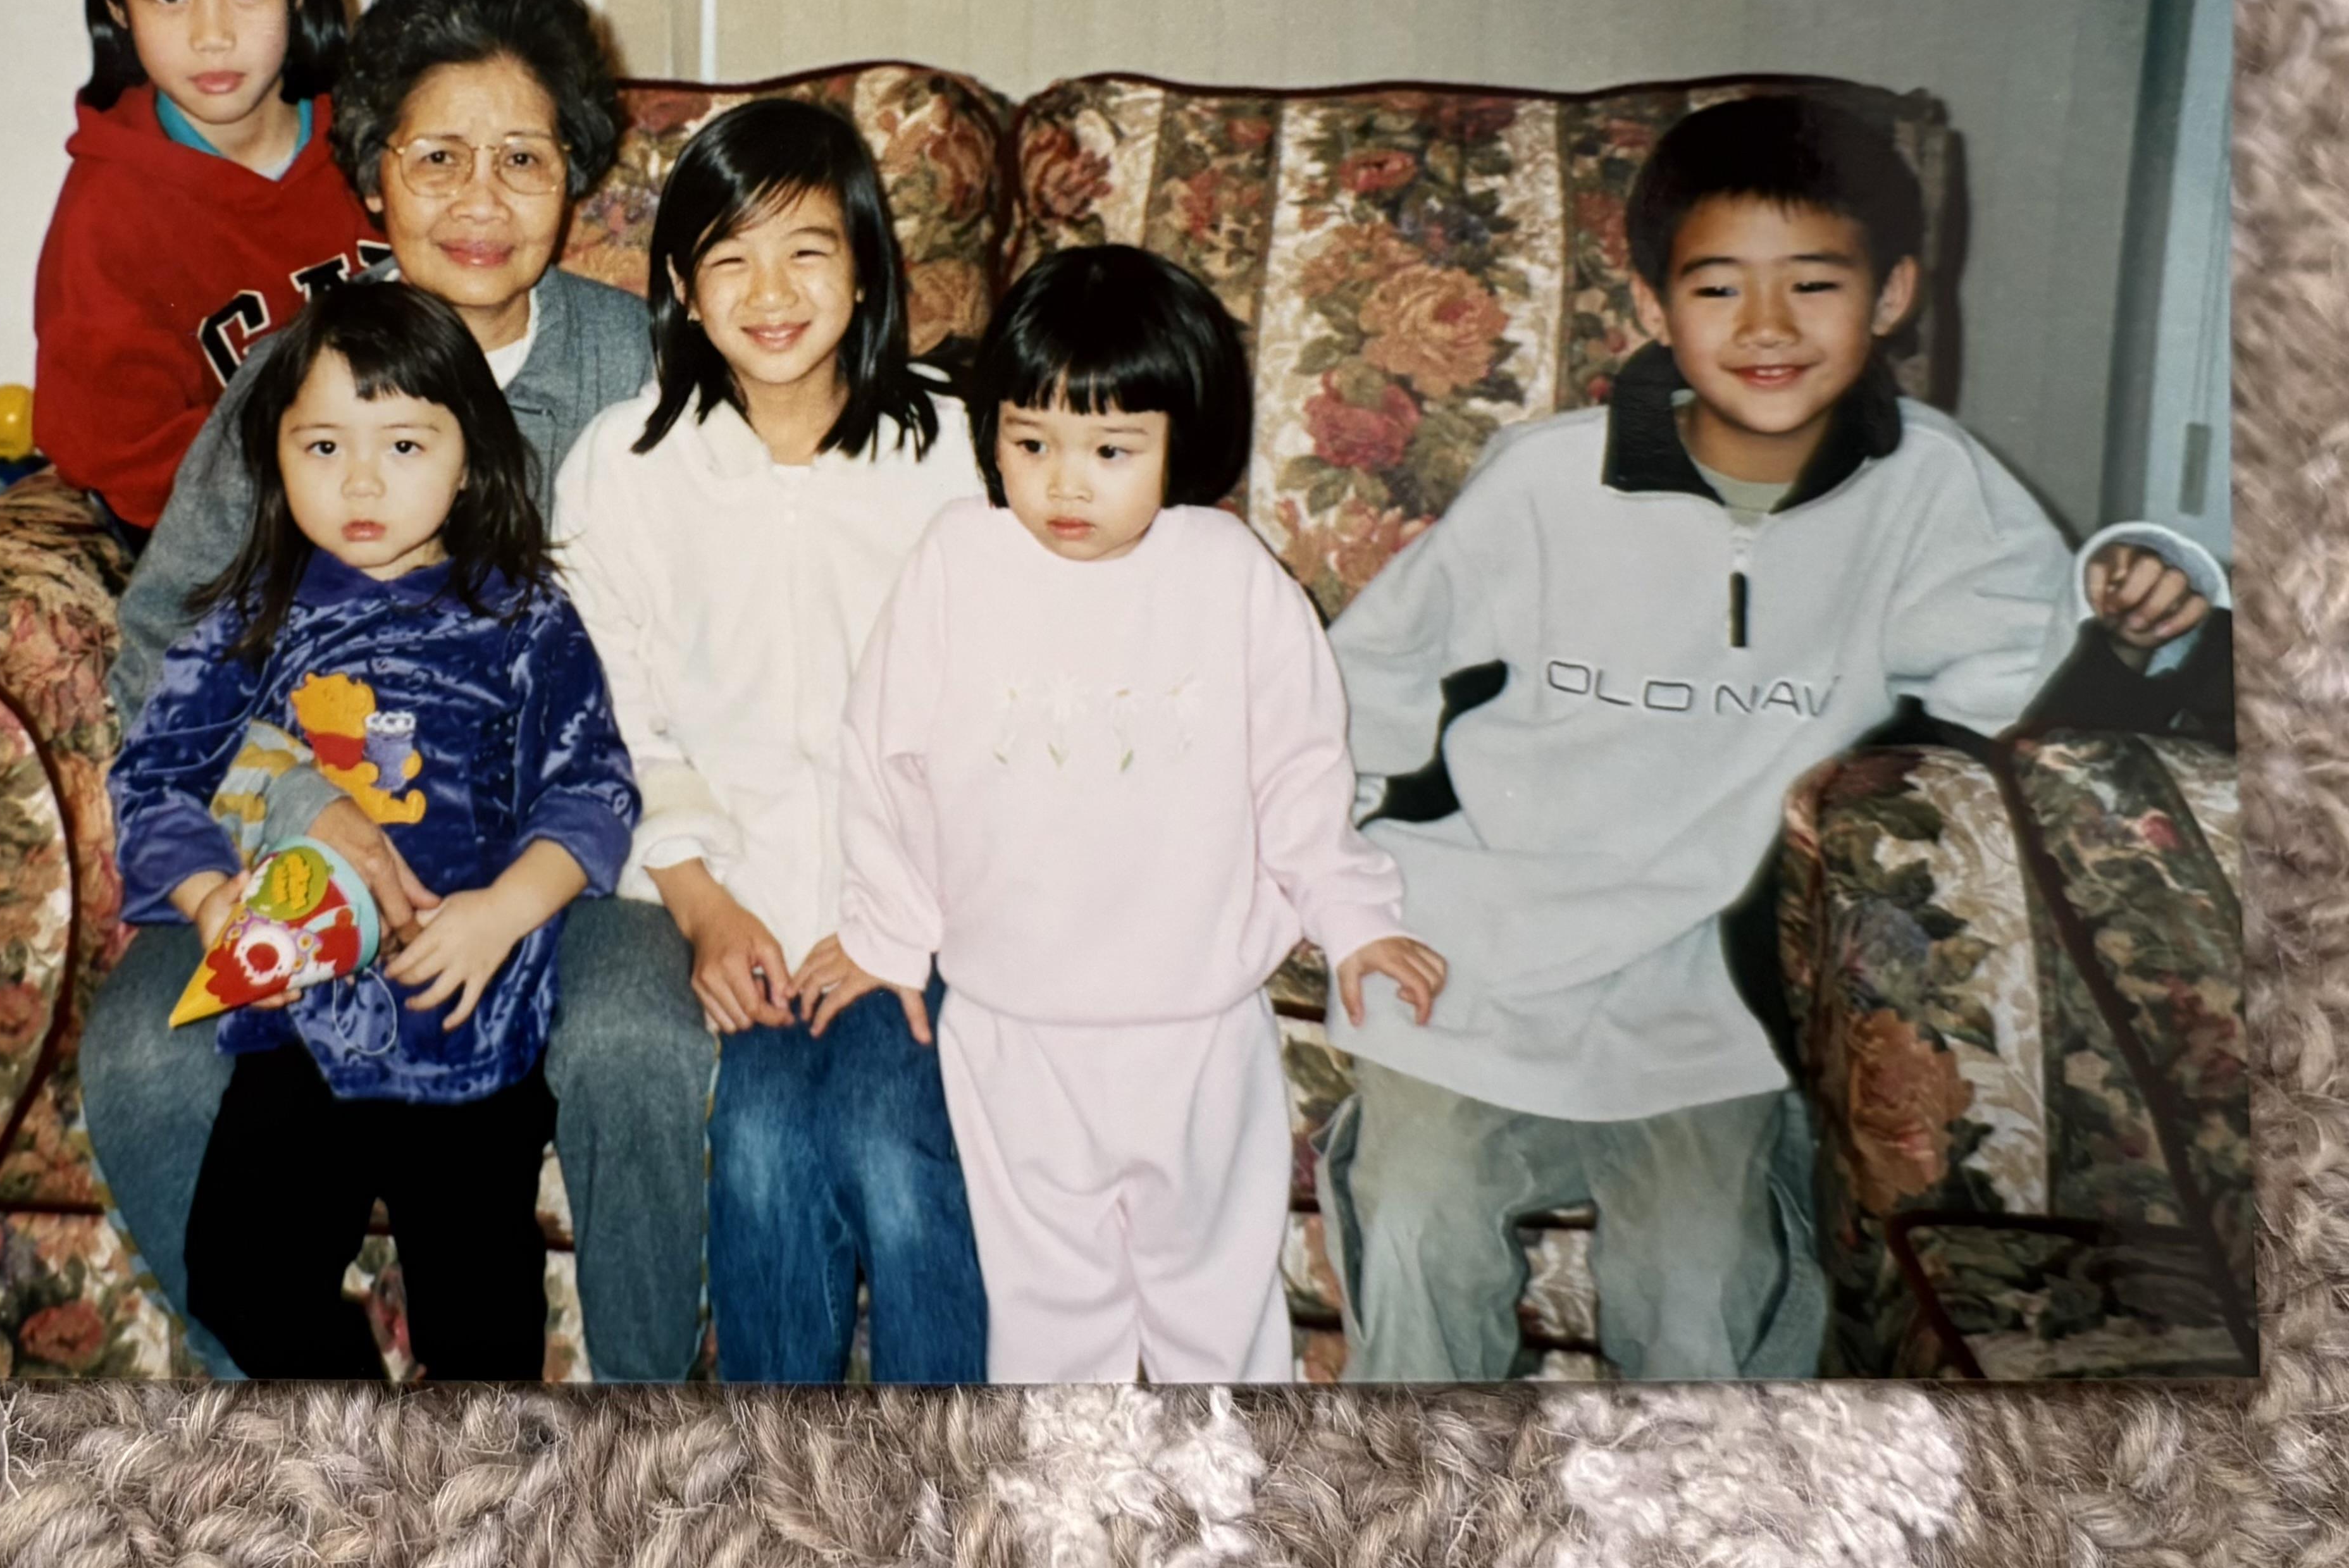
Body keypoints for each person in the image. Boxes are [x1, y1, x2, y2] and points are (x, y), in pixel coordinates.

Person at [1320, 93, 2226, 1383]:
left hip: (1712, 994)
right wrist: (1317, 870)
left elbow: (2033, 701)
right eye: (1716, 289)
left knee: (1704, 1290)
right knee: (1415, 1224)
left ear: (1893, 292)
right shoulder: (1542, 482)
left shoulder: (1932, 489)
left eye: (1812, 284)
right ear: (1649, 308)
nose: (1763, 330)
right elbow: (1366, 681)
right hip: (1481, 953)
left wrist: (2146, 626)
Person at [84, 0, 652, 1376]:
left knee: (624, 1062)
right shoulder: (294, 375)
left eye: (520, 157)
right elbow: (159, 647)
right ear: (375, 175)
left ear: (575, 177)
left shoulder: (639, 364)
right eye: (436, 156)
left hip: (569, 856)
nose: (476, 198)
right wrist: (287, 805)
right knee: (149, 1065)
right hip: (298, 873)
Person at [836, 245, 1447, 1382]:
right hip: (1012, 1022)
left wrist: (1354, 915)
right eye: (1029, 443)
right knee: (1047, 1314)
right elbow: (884, 763)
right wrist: (884, 935)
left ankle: (1227, 1513)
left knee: (1213, 1307)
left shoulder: (1228, 573)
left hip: (1194, 1021)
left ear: (1178, 443)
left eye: (1111, 450)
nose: (1065, 484)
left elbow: (1302, 772)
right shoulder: (954, 562)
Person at [550, 99, 989, 1383]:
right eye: (729, 259)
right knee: (756, 1153)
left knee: (892, 1153)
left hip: (913, 902)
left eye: (807, 250)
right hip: (732, 894)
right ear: (682, 290)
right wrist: (694, 900)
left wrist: (903, 916)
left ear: (865, 268)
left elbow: (997, 709)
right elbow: (610, 711)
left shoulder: (953, 454)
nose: (772, 291)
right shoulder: (626, 467)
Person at [32, 0, 381, 540]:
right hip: (227, 535)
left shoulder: (380, 142)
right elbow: (117, 451)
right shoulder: (111, 209)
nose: (211, 33)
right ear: (116, 9)